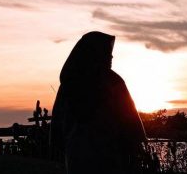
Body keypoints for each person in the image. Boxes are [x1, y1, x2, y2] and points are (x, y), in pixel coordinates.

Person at [50, 31, 146, 174]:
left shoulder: (69, 84)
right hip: (109, 159)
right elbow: (131, 124)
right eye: (108, 53)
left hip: (77, 159)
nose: (111, 57)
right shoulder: (113, 83)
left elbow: (57, 129)